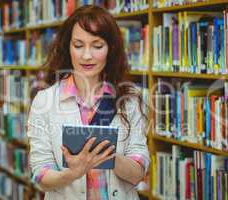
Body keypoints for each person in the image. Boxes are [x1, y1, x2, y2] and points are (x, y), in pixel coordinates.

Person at [27, 5, 149, 200]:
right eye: (78, 45)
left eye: (97, 45)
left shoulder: (129, 99)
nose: (86, 55)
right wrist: (72, 173)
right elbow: (41, 173)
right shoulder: (45, 101)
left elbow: (138, 173)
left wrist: (109, 157)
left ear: (111, 49)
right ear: (68, 47)